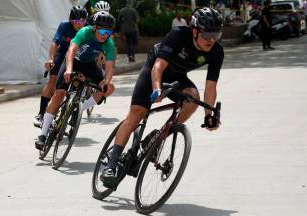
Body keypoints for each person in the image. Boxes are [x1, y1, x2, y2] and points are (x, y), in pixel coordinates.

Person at [100, 7, 224, 187]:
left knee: (193, 98)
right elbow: (158, 66)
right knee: (137, 113)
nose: (211, 40)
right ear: (195, 31)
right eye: (207, 35)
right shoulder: (178, 35)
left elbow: (211, 87)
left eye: (217, 35)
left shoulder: (216, 52)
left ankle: (158, 136)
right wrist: (157, 89)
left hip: (177, 77)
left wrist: (209, 115)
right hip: (155, 70)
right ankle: (111, 165)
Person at [35, 11, 116, 150]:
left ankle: (79, 108)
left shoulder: (109, 43)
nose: (105, 35)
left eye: (108, 32)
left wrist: (106, 82)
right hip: (72, 61)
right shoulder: (85, 32)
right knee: (59, 94)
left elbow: (109, 65)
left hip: (89, 65)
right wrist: (68, 69)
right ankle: (42, 134)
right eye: (102, 30)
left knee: (109, 88)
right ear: (95, 28)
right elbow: (71, 51)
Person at [33, 6, 87, 127]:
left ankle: (72, 110)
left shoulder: (86, 29)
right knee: (52, 82)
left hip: (77, 57)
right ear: (71, 20)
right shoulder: (64, 25)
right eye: (77, 21)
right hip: (62, 54)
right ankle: (41, 114)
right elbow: (55, 43)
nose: (80, 24)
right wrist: (51, 58)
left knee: (78, 82)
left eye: (83, 21)